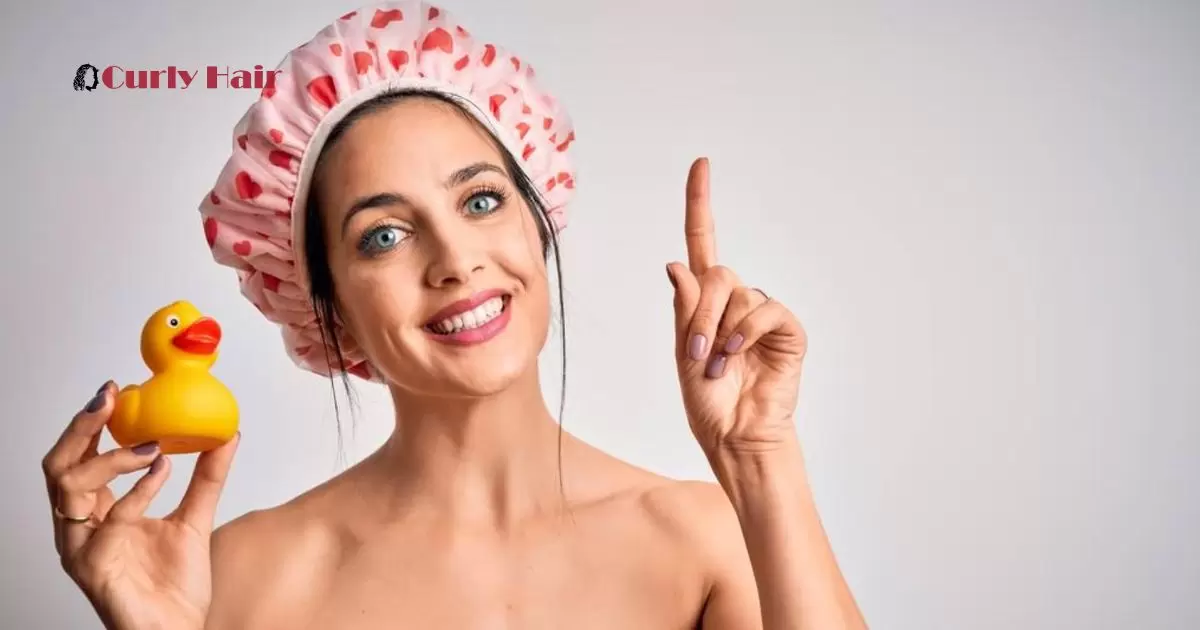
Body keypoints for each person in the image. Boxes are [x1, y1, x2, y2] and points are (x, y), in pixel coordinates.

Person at [42, 3, 867, 628]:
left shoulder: (704, 538)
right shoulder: (241, 577)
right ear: (320, 301)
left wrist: (761, 461)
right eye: (384, 234)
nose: (454, 259)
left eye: (479, 199)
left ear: (537, 223)